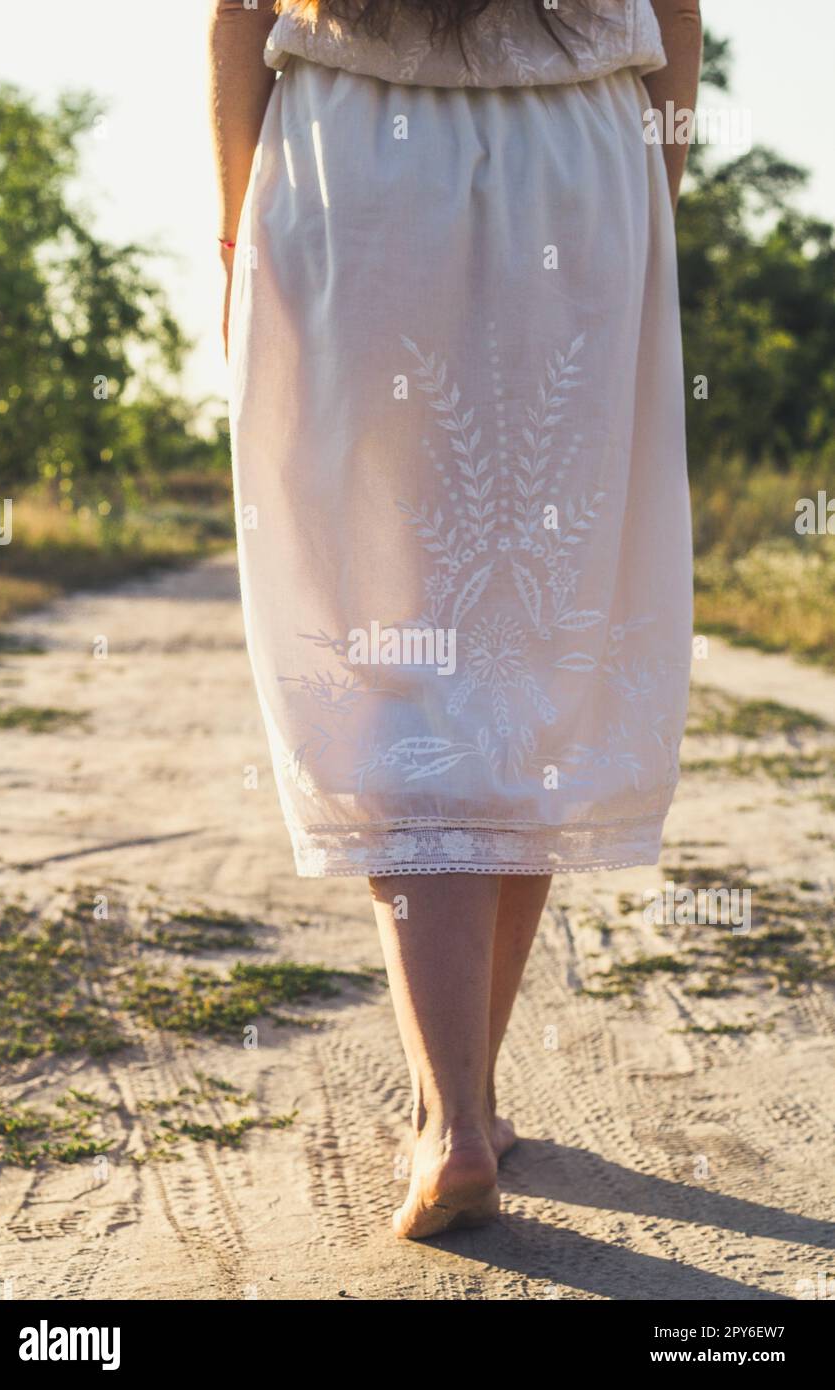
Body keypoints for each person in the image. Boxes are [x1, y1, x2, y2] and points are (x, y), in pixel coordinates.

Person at [209, 0, 702, 1239]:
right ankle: (462, 1101)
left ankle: (453, 1120)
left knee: (392, 637)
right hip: (581, 149)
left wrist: (234, 220)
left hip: (356, 143)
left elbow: (233, 8)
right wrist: (652, 199)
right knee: (535, 635)